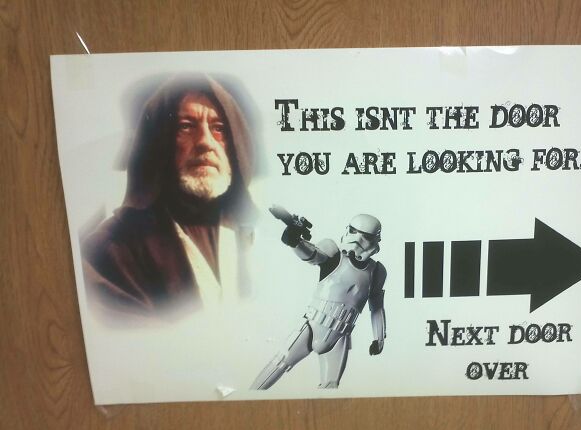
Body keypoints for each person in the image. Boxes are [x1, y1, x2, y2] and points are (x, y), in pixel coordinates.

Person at [81, 74, 257, 320]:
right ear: (160, 142)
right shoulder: (110, 251)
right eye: (186, 126)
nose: (205, 142)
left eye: (218, 129)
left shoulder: (251, 239)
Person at [251, 209, 387, 389]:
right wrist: (294, 241)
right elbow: (312, 255)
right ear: (347, 230)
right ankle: (247, 400)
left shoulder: (376, 271)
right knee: (280, 362)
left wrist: (379, 338)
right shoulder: (334, 254)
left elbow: (376, 307)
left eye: (365, 237)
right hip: (312, 326)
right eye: (354, 232)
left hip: (339, 337)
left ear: (375, 240)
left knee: (331, 385)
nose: (357, 240)